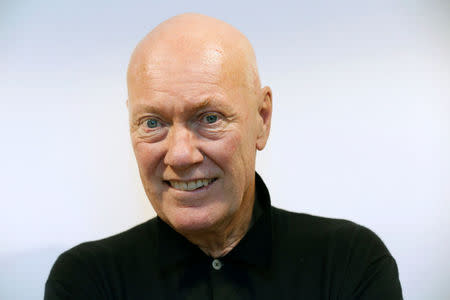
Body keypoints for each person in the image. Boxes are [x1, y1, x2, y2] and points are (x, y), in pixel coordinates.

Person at [45, 13, 403, 299]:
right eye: (153, 122)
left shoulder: (348, 265)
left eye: (210, 118)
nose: (181, 155)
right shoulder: (87, 282)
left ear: (261, 119)